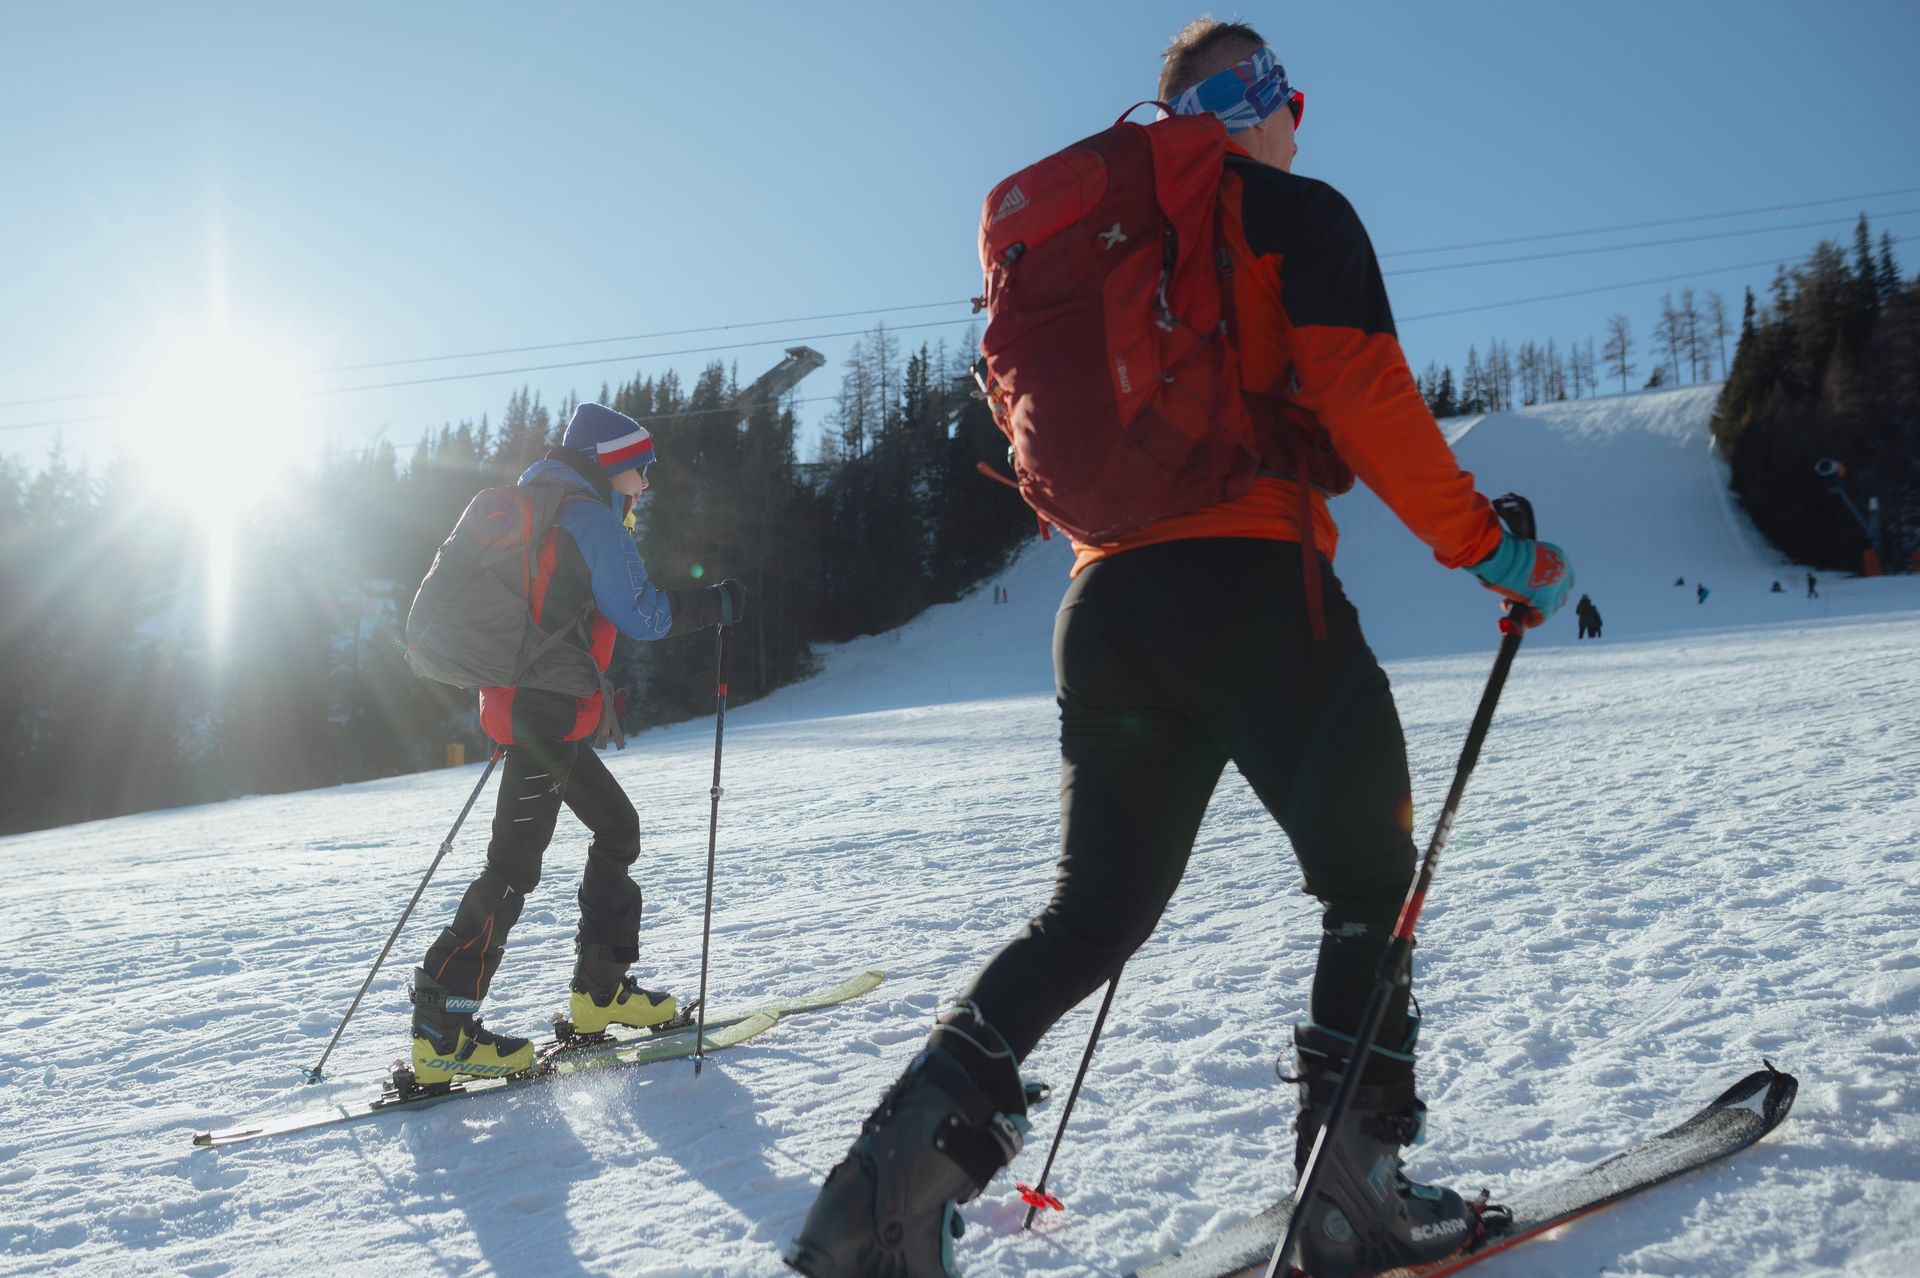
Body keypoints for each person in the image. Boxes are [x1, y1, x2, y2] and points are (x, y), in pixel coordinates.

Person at [784, 19, 1572, 1278]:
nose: (1296, 121)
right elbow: (1372, 402)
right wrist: (1493, 552)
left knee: (1089, 915)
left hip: (1104, 613)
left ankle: (872, 1214)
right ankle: (1352, 1201)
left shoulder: (1118, 248)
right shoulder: (1292, 215)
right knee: (1370, 880)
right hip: (1248, 592)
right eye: (1287, 99)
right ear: (1265, 101)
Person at [408, 403, 745, 1086]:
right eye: (641, 469)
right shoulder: (588, 518)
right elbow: (643, 614)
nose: (646, 484)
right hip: (547, 713)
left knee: (617, 829)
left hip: (529, 708)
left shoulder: (541, 504)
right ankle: (443, 1032)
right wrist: (717, 605)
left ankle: (600, 994)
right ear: (609, 464)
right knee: (511, 870)